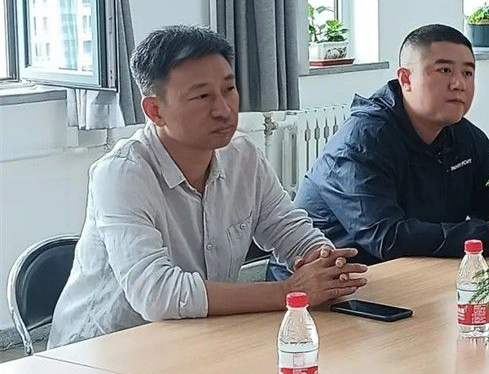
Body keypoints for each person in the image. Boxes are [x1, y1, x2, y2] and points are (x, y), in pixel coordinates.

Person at [48, 26, 366, 348]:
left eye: (229, 89)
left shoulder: (243, 156)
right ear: (155, 111)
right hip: (101, 351)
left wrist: (324, 263)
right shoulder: (122, 174)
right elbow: (156, 295)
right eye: (202, 97)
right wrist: (288, 291)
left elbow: (290, 230)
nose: (224, 110)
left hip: (193, 337)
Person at [293, 24, 489, 265]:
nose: (459, 84)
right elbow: (386, 237)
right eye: (445, 71)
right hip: (335, 283)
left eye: (468, 73)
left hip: (416, 271)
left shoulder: (464, 135)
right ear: (405, 79)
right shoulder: (362, 141)